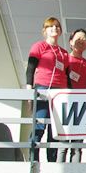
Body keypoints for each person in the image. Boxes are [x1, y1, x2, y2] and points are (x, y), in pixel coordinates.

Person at [25, 17, 69, 162]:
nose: (54, 28)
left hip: (60, 93)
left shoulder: (63, 53)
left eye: (57, 26)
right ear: (45, 31)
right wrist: (29, 92)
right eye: (51, 26)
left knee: (55, 129)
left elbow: (67, 76)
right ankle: (34, 159)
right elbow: (30, 69)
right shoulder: (39, 46)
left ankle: (52, 161)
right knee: (40, 124)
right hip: (43, 88)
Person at [56, 29, 86, 163]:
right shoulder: (64, 59)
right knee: (63, 144)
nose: (81, 42)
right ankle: (59, 171)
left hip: (82, 106)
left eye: (84, 39)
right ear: (71, 42)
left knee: (77, 145)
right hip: (65, 104)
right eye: (78, 39)